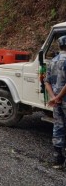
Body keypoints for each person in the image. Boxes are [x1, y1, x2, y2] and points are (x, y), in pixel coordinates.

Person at [45, 35, 66, 169]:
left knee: (58, 126)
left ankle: (58, 159)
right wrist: (59, 96)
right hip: (63, 99)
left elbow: (46, 81)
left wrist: (53, 97)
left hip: (56, 101)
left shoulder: (53, 61)